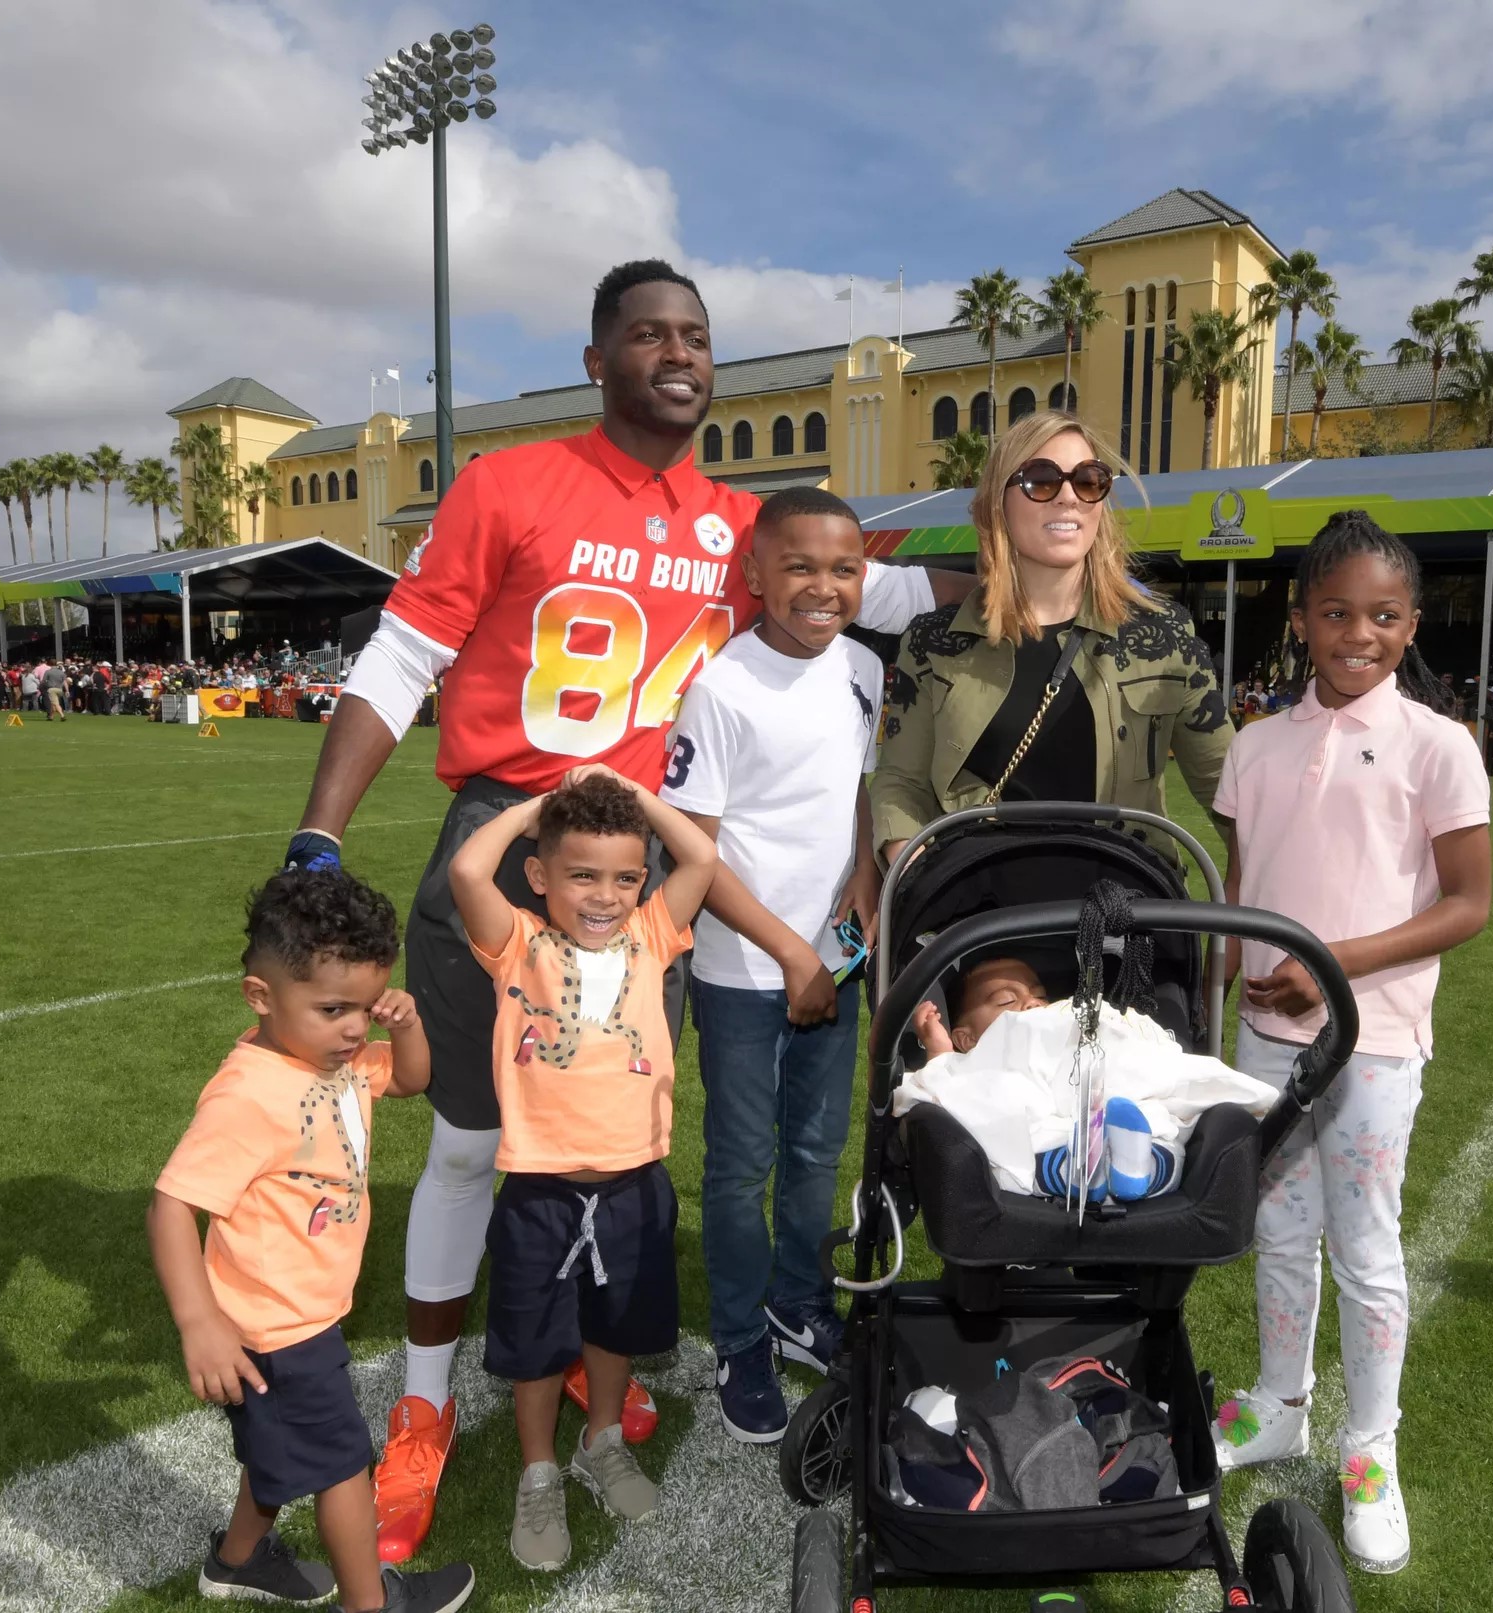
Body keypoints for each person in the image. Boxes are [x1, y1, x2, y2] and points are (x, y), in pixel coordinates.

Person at [285, 259, 964, 1564]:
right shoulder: (509, 484)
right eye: (648, 333)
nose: (678, 351)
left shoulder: (741, 529)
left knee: (618, 1140)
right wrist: (323, 826)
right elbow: (405, 649)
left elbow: (898, 592)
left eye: (697, 335)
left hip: (641, 875)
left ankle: (595, 1374)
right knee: (482, 1141)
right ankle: (426, 1406)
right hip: (507, 844)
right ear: (597, 360)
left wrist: (1061, 554)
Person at [1203, 512, 1493, 1579]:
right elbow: (1238, 892)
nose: (1356, 633)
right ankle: (1280, 1403)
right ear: (1300, 619)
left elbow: (1467, 902)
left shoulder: (1436, 742)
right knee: (1275, 1226)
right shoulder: (1255, 742)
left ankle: (1368, 1444)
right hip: (1263, 1038)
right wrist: (1226, 975)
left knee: (1365, 1245)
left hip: (1373, 1041)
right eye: (1335, 612)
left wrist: (1332, 960)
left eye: (1380, 614)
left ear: (1409, 622)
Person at [147, 868, 474, 1613]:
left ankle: (238, 1558)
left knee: (282, 1446)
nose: (356, 1027)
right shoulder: (249, 1094)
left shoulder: (339, 1054)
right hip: (275, 1327)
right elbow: (171, 1205)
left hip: (301, 1311)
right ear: (261, 996)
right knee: (342, 1466)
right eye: (334, 1008)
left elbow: (415, 1080)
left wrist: (407, 1024)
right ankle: (373, 1605)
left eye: (365, 1006)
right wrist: (200, 1323)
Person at [446, 768, 717, 1572]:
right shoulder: (518, 944)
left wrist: (633, 797)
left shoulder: (651, 932)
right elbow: (466, 869)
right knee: (533, 1341)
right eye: (582, 874)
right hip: (542, 1185)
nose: (606, 895)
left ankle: (602, 1440)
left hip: (635, 1180)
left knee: (617, 1323)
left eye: (626, 876)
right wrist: (541, 808)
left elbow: (699, 855)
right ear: (539, 875)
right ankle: (539, 1468)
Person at [655, 487, 882, 1443]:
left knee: (816, 1153)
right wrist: (791, 952)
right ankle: (741, 1337)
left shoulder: (867, 668)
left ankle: (798, 1301)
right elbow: (693, 854)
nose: (822, 587)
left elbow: (862, 791)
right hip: (748, 973)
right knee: (742, 1162)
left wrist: (865, 877)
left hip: (835, 962)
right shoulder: (721, 687)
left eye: (843, 569)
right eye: (799, 567)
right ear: (755, 574)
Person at [871, 410, 1232, 868]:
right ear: (996, 504)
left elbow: (1233, 794)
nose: (1068, 497)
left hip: (1127, 919)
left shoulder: (1165, 635)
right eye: (1040, 480)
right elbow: (900, 784)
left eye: (1088, 480)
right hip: (980, 923)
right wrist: (921, 871)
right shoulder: (934, 643)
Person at [910, 956, 1052, 1058]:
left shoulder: (1070, 1037)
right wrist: (939, 1053)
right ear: (967, 1040)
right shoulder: (976, 1074)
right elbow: (943, 1091)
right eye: (1006, 1001)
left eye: (1040, 995)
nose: (1032, 1002)